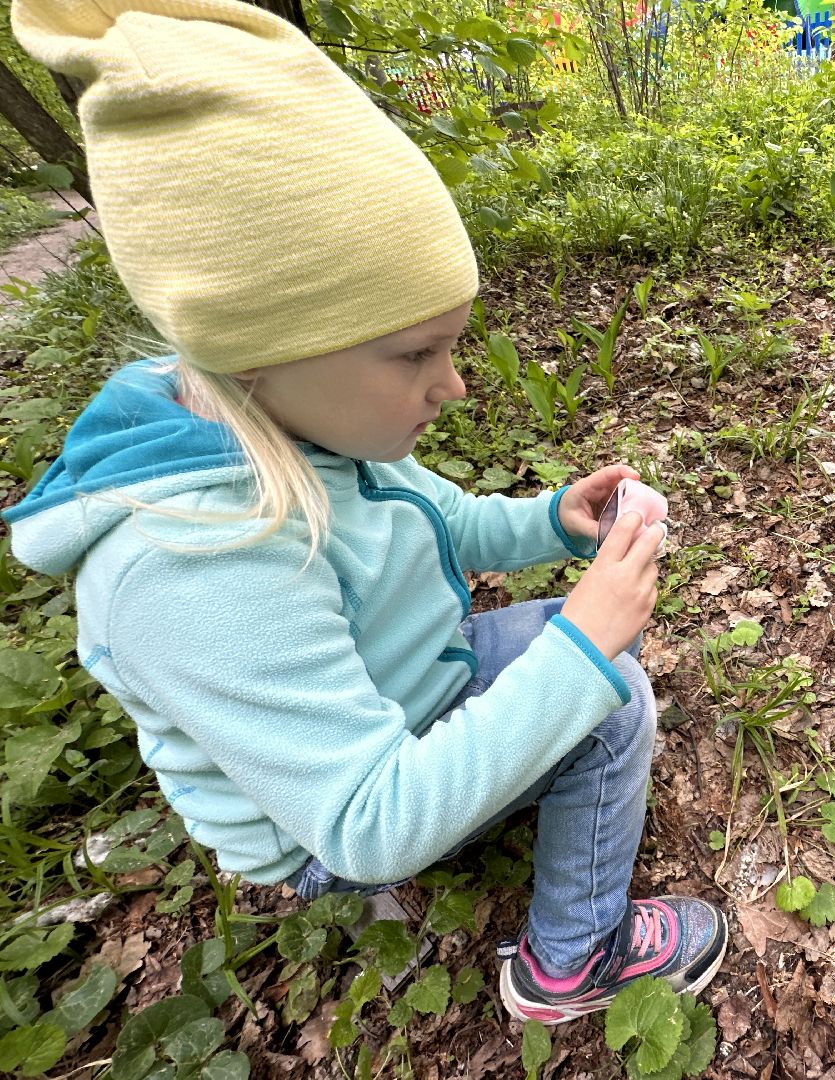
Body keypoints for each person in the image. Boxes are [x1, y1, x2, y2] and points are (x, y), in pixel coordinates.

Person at [4, 0, 726, 1026]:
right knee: (610, 698)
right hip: (334, 821)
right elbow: (365, 824)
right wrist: (579, 648)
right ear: (261, 347)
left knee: (591, 672)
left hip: (401, 686)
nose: (455, 387)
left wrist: (553, 523)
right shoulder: (192, 565)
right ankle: (572, 961)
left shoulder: (291, 421)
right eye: (415, 355)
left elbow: (445, 522)